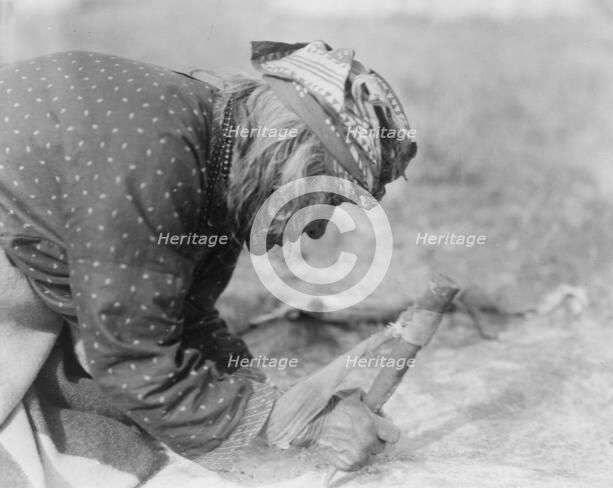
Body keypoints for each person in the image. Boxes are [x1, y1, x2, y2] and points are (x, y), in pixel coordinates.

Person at [0, 41, 417, 471]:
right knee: (72, 436)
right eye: (323, 198)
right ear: (290, 162)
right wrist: (303, 422)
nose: (315, 230)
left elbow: (183, 316)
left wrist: (277, 400)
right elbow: (133, 357)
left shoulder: (221, 156)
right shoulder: (156, 160)